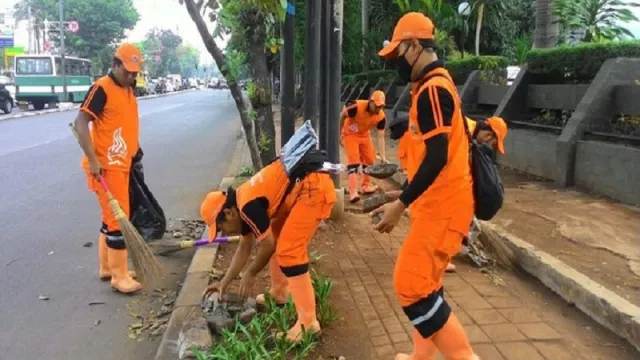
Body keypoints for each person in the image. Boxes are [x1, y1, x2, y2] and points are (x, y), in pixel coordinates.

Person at [372, 12, 480, 360]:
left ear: (414, 46)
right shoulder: (432, 85)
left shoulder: (433, 90)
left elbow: (437, 158)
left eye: (396, 54)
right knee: (426, 284)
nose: (395, 64)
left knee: (411, 286)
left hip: (444, 208)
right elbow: (431, 160)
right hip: (438, 203)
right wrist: (396, 195)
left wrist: (400, 203)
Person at [201, 159, 336, 343]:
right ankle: (279, 291)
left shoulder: (248, 207)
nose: (225, 232)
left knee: (289, 251)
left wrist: (250, 272)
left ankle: (308, 323)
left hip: (313, 189)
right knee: (277, 235)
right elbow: (244, 246)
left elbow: (267, 245)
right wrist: (223, 282)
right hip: (303, 186)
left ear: (228, 213)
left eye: (221, 227)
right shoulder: (241, 203)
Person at [385, 115, 507, 273]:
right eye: (492, 143)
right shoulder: (462, 132)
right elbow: (434, 161)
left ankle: (431, 257)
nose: (489, 146)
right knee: (432, 218)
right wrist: (405, 194)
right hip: (435, 181)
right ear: (489, 134)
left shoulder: (466, 131)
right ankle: (432, 258)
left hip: (433, 178)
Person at [73, 43, 144, 294]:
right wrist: (93, 160)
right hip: (105, 167)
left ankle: (107, 267)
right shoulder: (101, 88)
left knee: (110, 217)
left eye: (135, 72)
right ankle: (119, 276)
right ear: (115, 65)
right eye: (127, 71)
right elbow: (80, 123)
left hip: (122, 162)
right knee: (117, 220)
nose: (132, 76)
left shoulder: (128, 88)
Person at [340, 90, 388, 203]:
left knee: (370, 160)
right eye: (376, 106)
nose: (378, 109)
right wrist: (340, 133)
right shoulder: (356, 107)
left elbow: (381, 137)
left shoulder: (381, 117)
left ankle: (365, 186)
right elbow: (342, 115)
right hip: (350, 134)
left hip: (364, 135)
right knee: (354, 162)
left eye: (381, 106)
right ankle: (353, 192)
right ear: (370, 102)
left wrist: (383, 157)